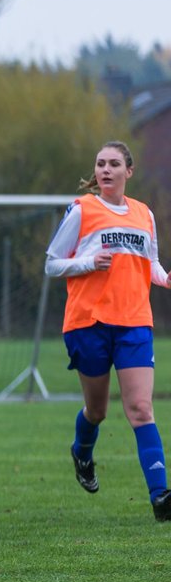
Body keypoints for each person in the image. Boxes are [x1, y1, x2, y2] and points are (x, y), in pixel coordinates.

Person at [45, 140, 171, 521]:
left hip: (134, 321)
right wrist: (86, 262)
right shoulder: (83, 209)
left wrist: (165, 279)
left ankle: (161, 495)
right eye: (100, 163)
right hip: (89, 323)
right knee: (97, 410)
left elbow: (149, 263)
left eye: (114, 163)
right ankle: (82, 453)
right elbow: (52, 264)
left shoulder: (144, 214)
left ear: (128, 171)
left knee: (140, 409)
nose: (106, 169)